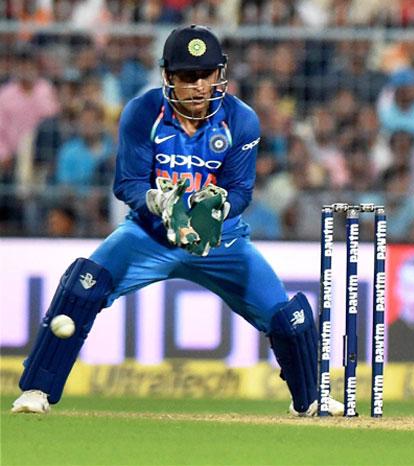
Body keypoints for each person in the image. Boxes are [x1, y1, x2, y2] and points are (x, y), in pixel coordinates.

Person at [10, 25, 342, 417]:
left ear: (220, 75)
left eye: (207, 75)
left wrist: (218, 207)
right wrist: (154, 200)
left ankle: (310, 399)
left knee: (289, 318)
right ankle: (36, 391)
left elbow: (241, 191)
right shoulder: (142, 112)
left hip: (220, 241)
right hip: (150, 235)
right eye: (187, 77)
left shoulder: (242, 121)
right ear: (168, 76)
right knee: (83, 286)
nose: (199, 86)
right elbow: (127, 183)